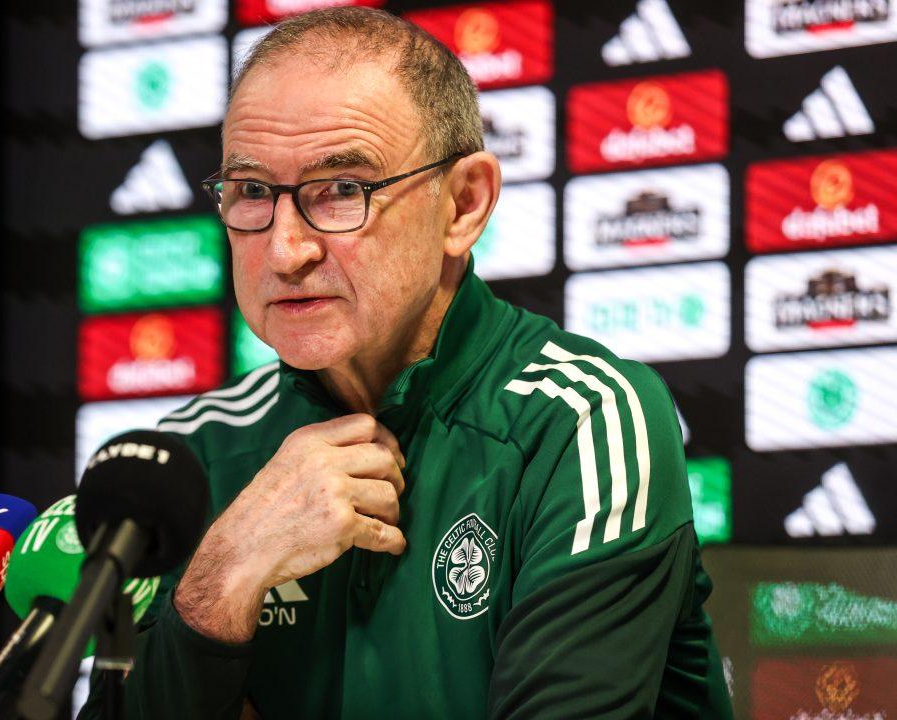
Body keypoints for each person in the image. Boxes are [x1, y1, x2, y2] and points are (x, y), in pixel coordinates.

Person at [80, 7, 732, 719]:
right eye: (253, 192)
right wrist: (222, 578)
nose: (285, 252)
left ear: (463, 204)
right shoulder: (186, 458)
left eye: (342, 190)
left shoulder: (585, 420)